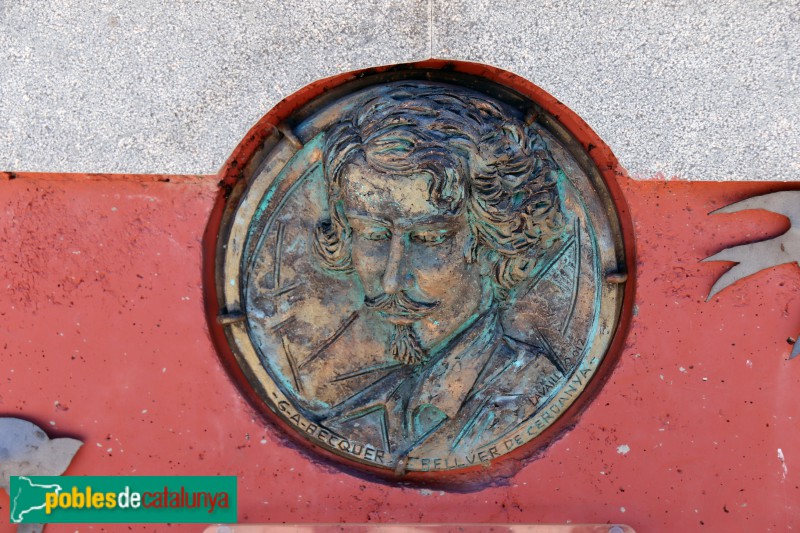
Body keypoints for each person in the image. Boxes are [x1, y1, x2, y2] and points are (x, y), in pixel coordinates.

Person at [310, 82, 570, 457]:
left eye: (429, 239)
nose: (392, 278)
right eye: (372, 234)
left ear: (491, 243)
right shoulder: (358, 417)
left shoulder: (531, 393)